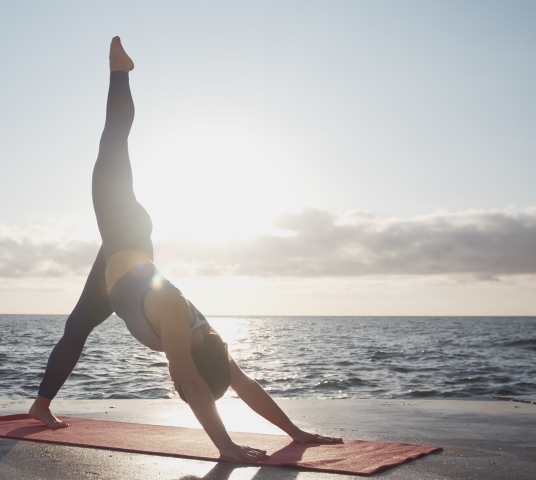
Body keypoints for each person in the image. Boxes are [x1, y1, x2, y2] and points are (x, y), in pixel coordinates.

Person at [28, 37, 342, 461]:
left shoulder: (211, 348)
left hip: (114, 273)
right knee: (114, 142)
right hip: (127, 233)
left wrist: (295, 432)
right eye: (187, 376)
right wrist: (226, 448)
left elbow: (244, 385)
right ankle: (119, 70)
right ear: (196, 358)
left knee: (77, 327)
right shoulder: (176, 316)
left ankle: (40, 404)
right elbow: (193, 385)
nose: (179, 385)